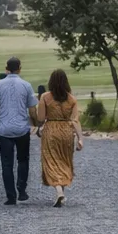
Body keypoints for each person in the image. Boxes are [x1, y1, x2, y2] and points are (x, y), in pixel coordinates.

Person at [0, 56, 39, 205]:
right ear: (20, 68)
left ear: (6, 69)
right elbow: (32, 110)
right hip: (22, 128)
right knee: (23, 160)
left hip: (4, 129)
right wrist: (35, 123)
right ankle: (21, 190)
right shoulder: (26, 86)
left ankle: (10, 196)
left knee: (7, 163)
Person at [36, 68, 81, 207]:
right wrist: (80, 138)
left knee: (51, 160)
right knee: (64, 159)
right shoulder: (72, 99)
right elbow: (75, 120)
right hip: (66, 131)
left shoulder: (45, 97)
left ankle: (58, 190)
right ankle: (61, 188)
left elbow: (41, 118)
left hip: (51, 129)